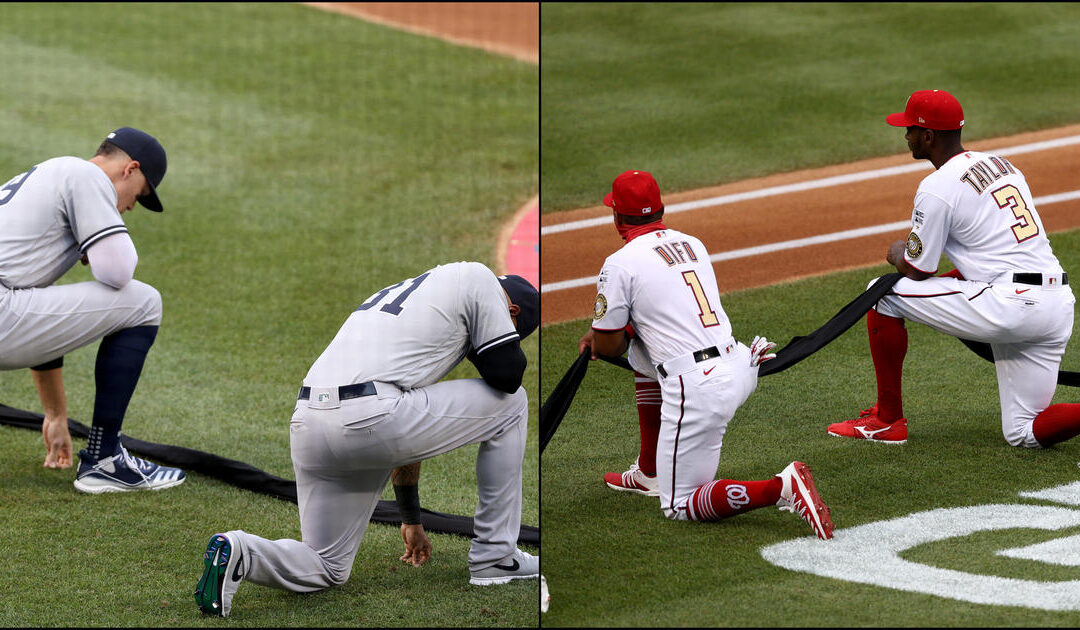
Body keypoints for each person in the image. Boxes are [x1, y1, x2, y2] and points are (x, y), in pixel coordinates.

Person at [194, 261, 540, 618]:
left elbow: (409, 424)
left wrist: (410, 515)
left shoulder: (416, 303)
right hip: (370, 415)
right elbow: (507, 373)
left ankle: (240, 550)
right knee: (512, 403)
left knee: (327, 566)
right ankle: (496, 557)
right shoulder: (478, 276)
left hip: (309, 423)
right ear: (510, 312)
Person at [581, 169, 834, 539]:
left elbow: (607, 346)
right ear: (661, 208)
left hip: (699, 388)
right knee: (643, 356)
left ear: (617, 217)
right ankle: (649, 470)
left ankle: (782, 486)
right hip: (741, 361)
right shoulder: (692, 243)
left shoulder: (619, 263)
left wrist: (607, 335)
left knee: (680, 505)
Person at [827, 89, 1080, 448]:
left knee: (880, 294)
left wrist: (897, 251)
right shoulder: (1004, 165)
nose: (905, 135)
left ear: (929, 136)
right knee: (1024, 432)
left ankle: (887, 420)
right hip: (1056, 304)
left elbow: (917, 269)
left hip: (1012, 303)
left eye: (911, 128)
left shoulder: (937, 187)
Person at [0, 127, 184, 492]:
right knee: (144, 302)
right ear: (129, 169)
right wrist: (102, 242)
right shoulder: (86, 176)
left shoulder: (46, 176)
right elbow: (117, 271)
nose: (131, 207)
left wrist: (55, 415)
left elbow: (41, 313)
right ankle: (105, 460)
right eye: (140, 194)